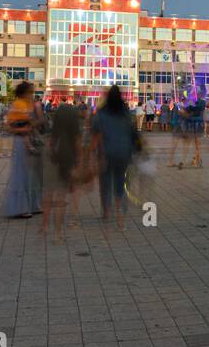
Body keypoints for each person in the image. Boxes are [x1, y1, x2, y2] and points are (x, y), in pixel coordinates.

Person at [91, 85, 138, 228]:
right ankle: (119, 215)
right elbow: (133, 132)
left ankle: (106, 212)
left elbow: (96, 136)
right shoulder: (126, 113)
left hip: (107, 153)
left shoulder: (101, 113)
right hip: (124, 153)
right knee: (120, 182)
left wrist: (91, 154)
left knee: (105, 183)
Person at [41, 104, 83, 242]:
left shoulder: (54, 130)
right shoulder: (75, 131)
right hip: (67, 160)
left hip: (54, 161)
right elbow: (78, 146)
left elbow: (49, 145)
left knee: (48, 194)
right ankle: (58, 233)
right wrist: (79, 162)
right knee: (61, 198)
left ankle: (45, 225)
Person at [2, 82, 44, 218]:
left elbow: (38, 122)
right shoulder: (18, 105)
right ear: (23, 93)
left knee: (33, 174)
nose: (32, 95)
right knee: (22, 173)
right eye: (30, 92)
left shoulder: (31, 104)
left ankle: (33, 205)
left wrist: (36, 121)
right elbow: (9, 127)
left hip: (32, 140)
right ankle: (21, 207)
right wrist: (23, 129)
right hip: (21, 142)